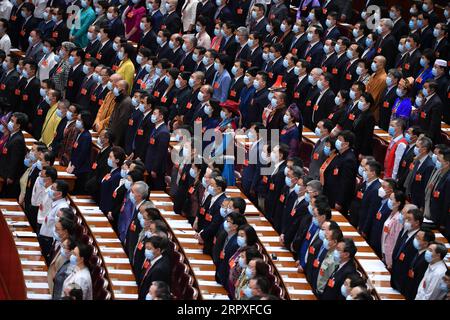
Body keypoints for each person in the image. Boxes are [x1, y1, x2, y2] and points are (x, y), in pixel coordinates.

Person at [323, 130, 357, 214]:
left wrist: (339, 202)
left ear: (346, 144)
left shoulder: (349, 160)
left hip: (337, 199)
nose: (337, 141)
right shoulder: (339, 154)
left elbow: (346, 183)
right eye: (337, 138)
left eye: (340, 139)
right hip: (329, 194)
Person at [391, 208, 423, 292]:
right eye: (406, 219)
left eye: (409, 219)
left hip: (404, 281)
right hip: (395, 275)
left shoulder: (418, 240)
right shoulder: (405, 231)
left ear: (417, 223)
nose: (406, 221)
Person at [213, 212, 246, 291]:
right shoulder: (224, 235)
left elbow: (229, 265)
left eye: (228, 221)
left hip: (227, 281)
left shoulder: (236, 243)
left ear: (235, 226)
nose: (225, 222)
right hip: (220, 276)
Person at [402, 229, 435, 300]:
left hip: (414, 292)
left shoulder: (426, 259)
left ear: (426, 243)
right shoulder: (418, 251)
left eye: (418, 238)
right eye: (415, 236)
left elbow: (419, 279)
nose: (415, 239)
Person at [0, 112, 27, 197]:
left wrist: (10, 177)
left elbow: (14, 160)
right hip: (4, 170)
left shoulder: (17, 140)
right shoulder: (13, 135)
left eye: (12, 121)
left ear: (18, 125)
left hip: (9, 177)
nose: (9, 123)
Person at [404, 135, 435, 209]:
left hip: (418, 202)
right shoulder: (417, 159)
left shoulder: (429, 165)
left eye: (417, 146)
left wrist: (422, 206)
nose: (415, 148)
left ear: (424, 149)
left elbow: (425, 188)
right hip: (411, 196)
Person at [66, 111, 92, 194]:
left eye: (79, 120)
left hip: (81, 170)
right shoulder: (80, 133)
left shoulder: (86, 136)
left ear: (84, 121)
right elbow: (75, 150)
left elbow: (82, 154)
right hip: (75, 166)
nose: (77, 121)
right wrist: (70, 163)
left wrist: (73, 166)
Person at [138, 235, 171, 300]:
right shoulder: (151, 260)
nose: (146, 251)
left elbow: (154, 292)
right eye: (146, 248)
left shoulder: (159, 269)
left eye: (149, 249)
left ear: (158, 250)